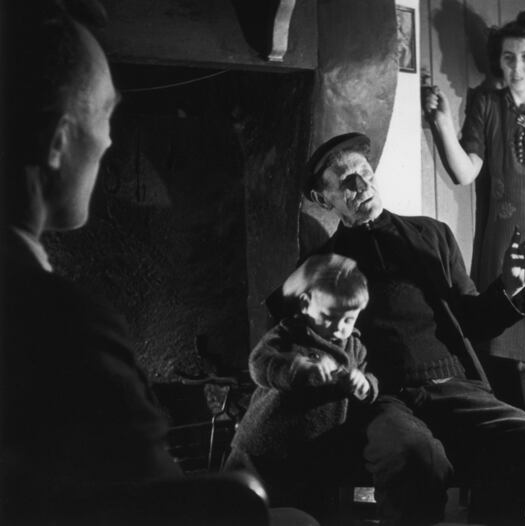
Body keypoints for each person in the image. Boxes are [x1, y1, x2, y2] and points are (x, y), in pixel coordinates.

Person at [0, 3, 316, 525]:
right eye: (103, 116)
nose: (107, 140)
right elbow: (157, 509)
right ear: (57, 142)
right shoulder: (62, 323)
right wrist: (241, 491)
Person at [282, 131, 525, 525]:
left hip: (454, 387)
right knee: (415, 458)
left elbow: (474, 321)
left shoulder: (432, 235)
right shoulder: (319, 267)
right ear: (322, 199)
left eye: (365, 173)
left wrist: (511, 286)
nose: (362, 185)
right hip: (383, 400)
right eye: (346, 181)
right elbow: (302, 349)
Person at [423, 11, 525, 410]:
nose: (517, 66)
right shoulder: (486, 103)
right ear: (498, 61)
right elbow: (465, 172)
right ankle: (513, 444)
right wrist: (443, 123)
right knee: (498, 345)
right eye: (509, 57)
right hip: (500, 242)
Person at [227, 254, 378, 506]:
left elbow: (368, 377)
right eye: (329, 316)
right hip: (265, 442)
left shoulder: (354, 347)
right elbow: (259, 363)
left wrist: (364, 385)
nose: (339, 327)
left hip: (316, 451)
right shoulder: (290, 333)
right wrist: (297, 368)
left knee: (305, 510)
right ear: (306, 304)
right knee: (241, 504)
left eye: (349, 319)